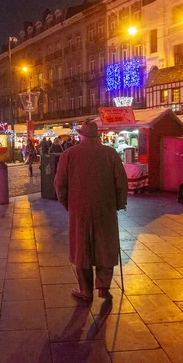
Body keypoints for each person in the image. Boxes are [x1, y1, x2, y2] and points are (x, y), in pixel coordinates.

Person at [54, 119, 128, 301]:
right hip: (106, 208)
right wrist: (118, 204)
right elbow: (121, 182)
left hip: (79, 209)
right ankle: (103, 287)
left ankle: (85, 291)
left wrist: (67, 204)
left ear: (81, 136)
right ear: (97, 136)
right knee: (105, 246)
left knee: (82, 248)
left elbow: (59, 183)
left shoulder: (69, 154)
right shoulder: (110, 154)